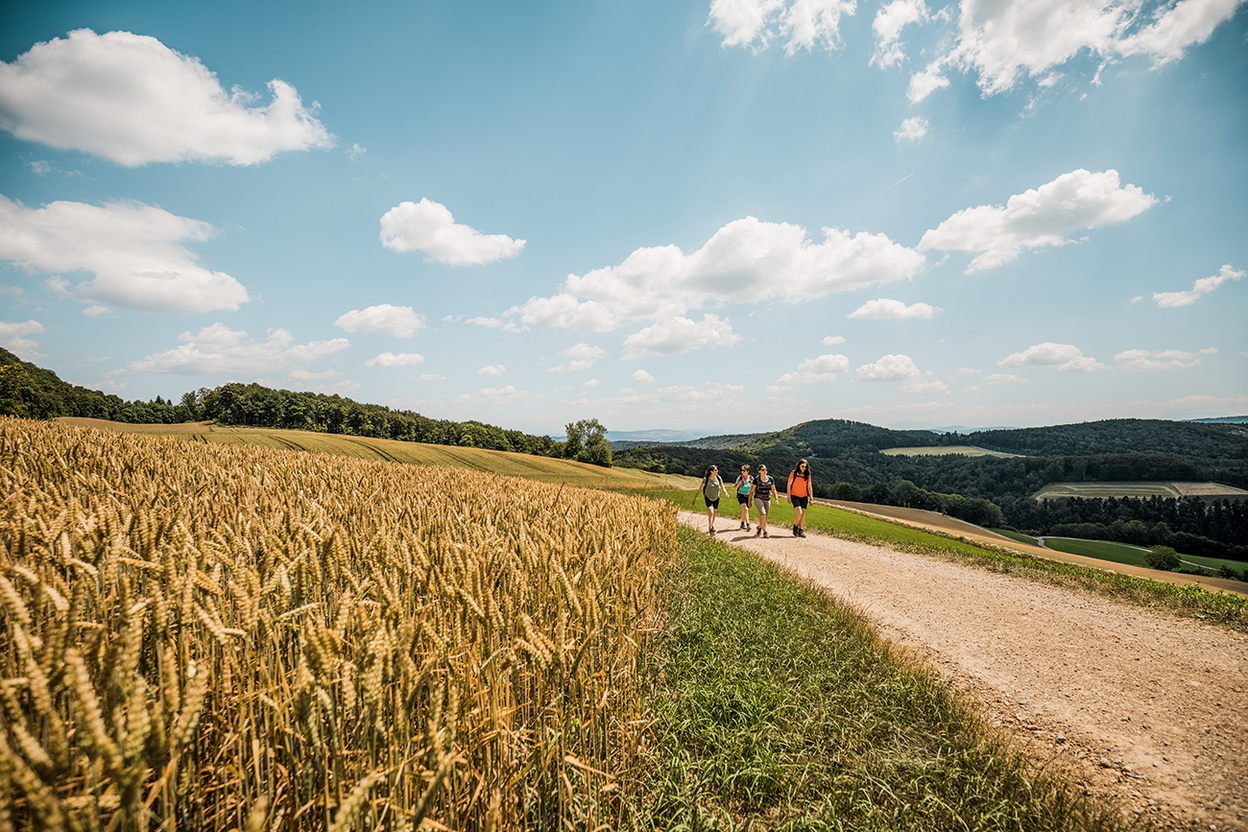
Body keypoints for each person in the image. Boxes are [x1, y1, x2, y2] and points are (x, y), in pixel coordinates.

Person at [691, 464, 725, 534]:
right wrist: (694, 499)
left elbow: (722, 487)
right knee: (711, 512)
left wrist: (726, 493)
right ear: (711, 471)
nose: (717, 471)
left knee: (714, 512)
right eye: (715, 470)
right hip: (708, 497)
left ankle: (712, 525)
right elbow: (700, 489)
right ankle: (710, 527)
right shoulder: (706, 479)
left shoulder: (719, 478)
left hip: (716, 497)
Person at [787, 458, 812, 537]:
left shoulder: (807, 475)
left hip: (804, 496)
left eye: (805, 467)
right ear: (799, 466)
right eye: (802, 466)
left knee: (803, 514)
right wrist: (788, 496)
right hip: (794, 495)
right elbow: (789, 485)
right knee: (799, 512)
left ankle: (801, 530)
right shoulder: (793, 473)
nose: (804, 468)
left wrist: (811, 498)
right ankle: (795, 526)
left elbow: (809, 487)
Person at [752, 465, 778, 538]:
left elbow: (773, 489)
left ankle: (759, 527)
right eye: (763, 470)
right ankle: (765, 532)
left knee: (764, 517)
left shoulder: (770, 479)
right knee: (763, 514)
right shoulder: (756, 479)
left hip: (767, 498)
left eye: (765, 469)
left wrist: (776, 499)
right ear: (759, 471)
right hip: (758, 498)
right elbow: (751, 490)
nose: (764, 471)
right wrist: (749, 501)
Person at [733, 464, 753, 530]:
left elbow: (753, 488)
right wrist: (738, 484)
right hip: (740, 495)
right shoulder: (739, 478)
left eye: (744, 470)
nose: (742, 471)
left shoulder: (751, 478)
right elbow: (735, 488)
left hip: (748, 496)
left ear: (748, 471)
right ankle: (748, 524)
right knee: (745, 509)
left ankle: (742, 523)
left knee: (745, 510)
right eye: (742, 470)